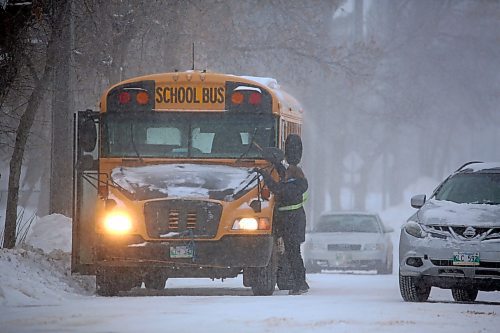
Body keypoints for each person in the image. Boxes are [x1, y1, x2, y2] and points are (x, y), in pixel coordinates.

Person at [257, 134, 309, 295]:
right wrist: (277, 164)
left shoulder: (295, 186)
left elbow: (279, 189)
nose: (283, 175)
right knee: (293, 254)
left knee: (293, 254)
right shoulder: (295, 181)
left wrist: (264, 176)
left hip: (293, 224)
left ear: (292, 175)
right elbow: (283, 176)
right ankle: (301, 282)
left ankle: (300, 283)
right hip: (292, 222)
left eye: (286, 174)